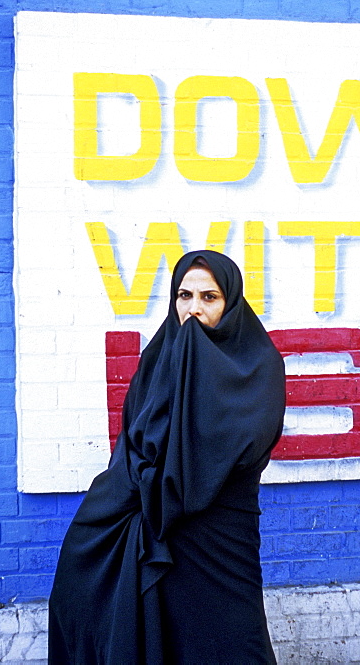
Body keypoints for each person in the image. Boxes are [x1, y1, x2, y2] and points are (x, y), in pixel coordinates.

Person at [48, 250, 286, 664]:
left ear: (230, 302)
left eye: (209, 298)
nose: (194, 309)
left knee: (232, 644)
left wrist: (163, 484)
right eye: (184, 296)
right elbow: (132, 446)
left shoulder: (257, 365)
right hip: (154, 528)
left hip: (218, 538)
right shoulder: (159, 358)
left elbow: (237, 446)